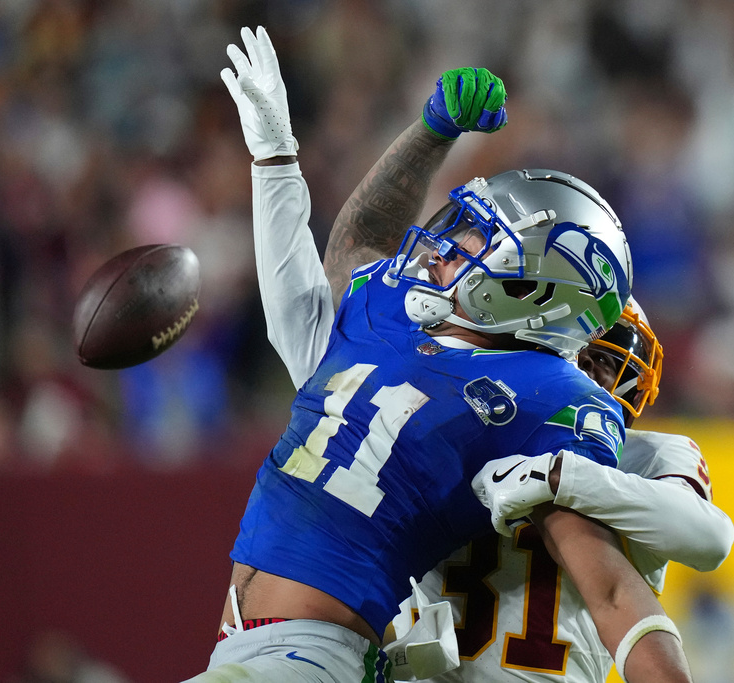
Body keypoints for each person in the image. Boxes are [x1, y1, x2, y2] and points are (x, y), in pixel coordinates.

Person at [190, 26, 692, 683]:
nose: (448, 246)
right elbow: (342, 273)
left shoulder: (548, 403)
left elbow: (638, 575)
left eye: (478, 239)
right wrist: (283, 156)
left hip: (316, 652)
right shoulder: (416, 342)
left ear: (534, 297)